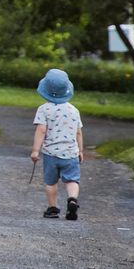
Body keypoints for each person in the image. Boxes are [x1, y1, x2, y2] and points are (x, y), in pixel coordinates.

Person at [30, 69, 84, 220]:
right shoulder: (74, 110)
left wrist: (35, 151)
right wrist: (80, 150)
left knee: (51, 182)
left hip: (51, 154)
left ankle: (53, 208)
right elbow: (78, 132)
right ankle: (72, 200)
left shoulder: (44, 109)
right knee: (72, 180)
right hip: (71, 153)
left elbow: (41, 131)